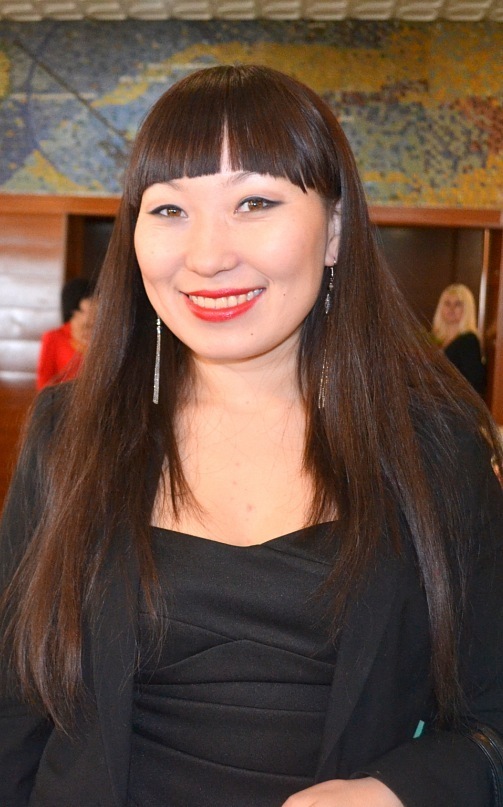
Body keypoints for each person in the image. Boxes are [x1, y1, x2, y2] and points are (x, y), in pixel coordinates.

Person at [1, 64, 503, 807]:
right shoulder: (69, 434)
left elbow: (490, 723)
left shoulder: (434, 446)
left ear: (334, 231)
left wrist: (397, 790)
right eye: (169, 210)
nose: (207, 256)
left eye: (255, 202)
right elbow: (14, 710)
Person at [35, 277, 95, 390]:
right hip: (62, 399)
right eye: (91, 300)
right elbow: (43, 385)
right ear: (74, 309)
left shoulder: (104, 337)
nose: (97, 305)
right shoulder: (53, 337)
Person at [431, 282, 487, 396]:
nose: (451, 308)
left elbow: (473, 383)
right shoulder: (434, 339)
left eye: (458, 304)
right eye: (447, 303)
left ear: (467, 309)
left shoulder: (469, 341)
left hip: (455, 403)